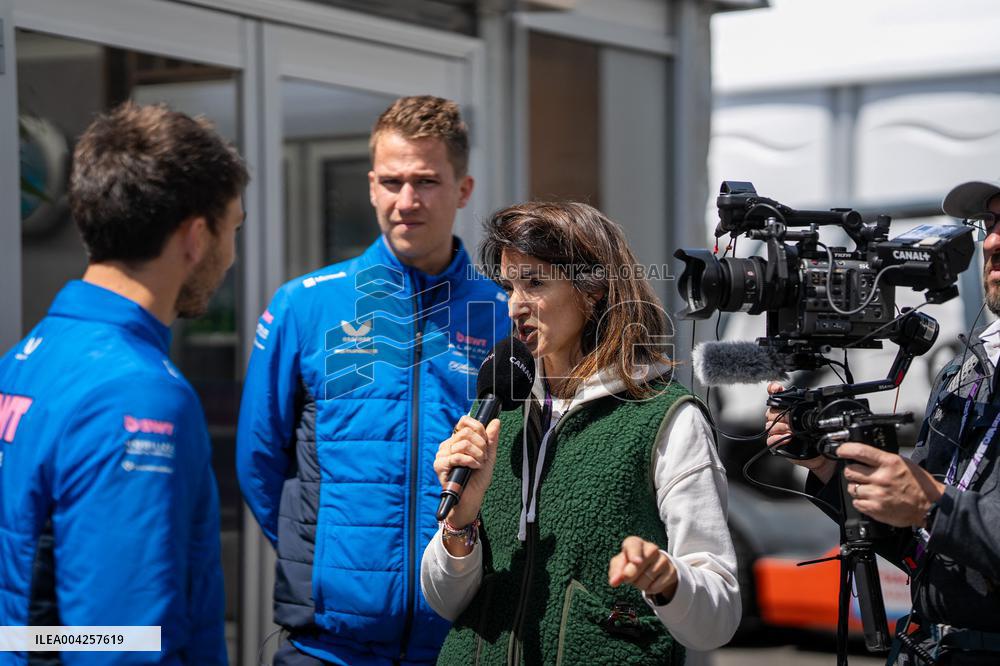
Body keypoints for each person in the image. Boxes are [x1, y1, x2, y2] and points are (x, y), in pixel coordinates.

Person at [236, 96, 510, 665]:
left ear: (463, 189)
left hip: (462, 642)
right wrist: (322, 558)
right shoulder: (305, 306)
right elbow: (259, 460)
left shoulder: (502, 314)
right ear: (370, 186)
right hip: (328, 646)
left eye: (427, 181)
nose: (406, 201)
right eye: (391, 181)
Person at [420, 201, 741, 665]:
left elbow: (720, 616)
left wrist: (668, 579)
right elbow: (445, 601)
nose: (514, 305)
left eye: (534, 282)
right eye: (509, 285)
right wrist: (460, 524)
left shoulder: (666, 418)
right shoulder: (497, 407)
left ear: (592, 289)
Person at [0, 102, 248, 664]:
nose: (231, 257)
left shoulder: (24, 360)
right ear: (193, 237)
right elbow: (123, 641)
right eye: (232, 228)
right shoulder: (137, 395)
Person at [765, 180, 1000, 664]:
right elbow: (922, 542)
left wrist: (934, 504)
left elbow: (938, 512)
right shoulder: (970, 368)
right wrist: (830, 469)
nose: (992, 242)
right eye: (992, 225)